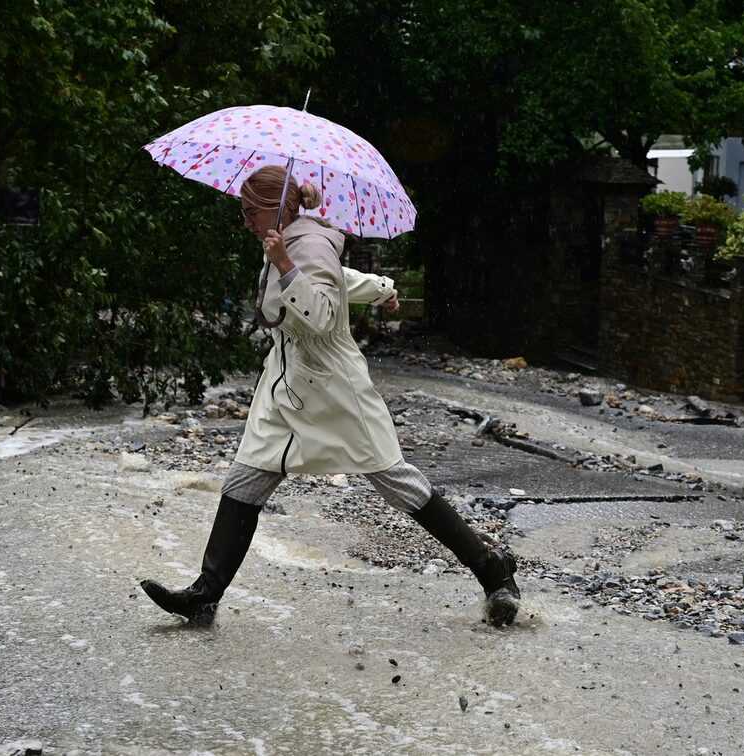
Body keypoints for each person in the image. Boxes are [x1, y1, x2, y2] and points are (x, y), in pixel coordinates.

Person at [139, 166, 521, 626]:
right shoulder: (288, 239)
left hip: (335, 388)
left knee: (396, 481)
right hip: (287, 384)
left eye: (250, 212)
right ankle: (205, 594)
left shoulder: (303, 244)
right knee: (246, 479)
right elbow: (338, 279)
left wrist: (284, 265)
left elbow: (320, 315)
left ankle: (491, 568)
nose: (245, 221)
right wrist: (381, 289)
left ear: (277, 207)